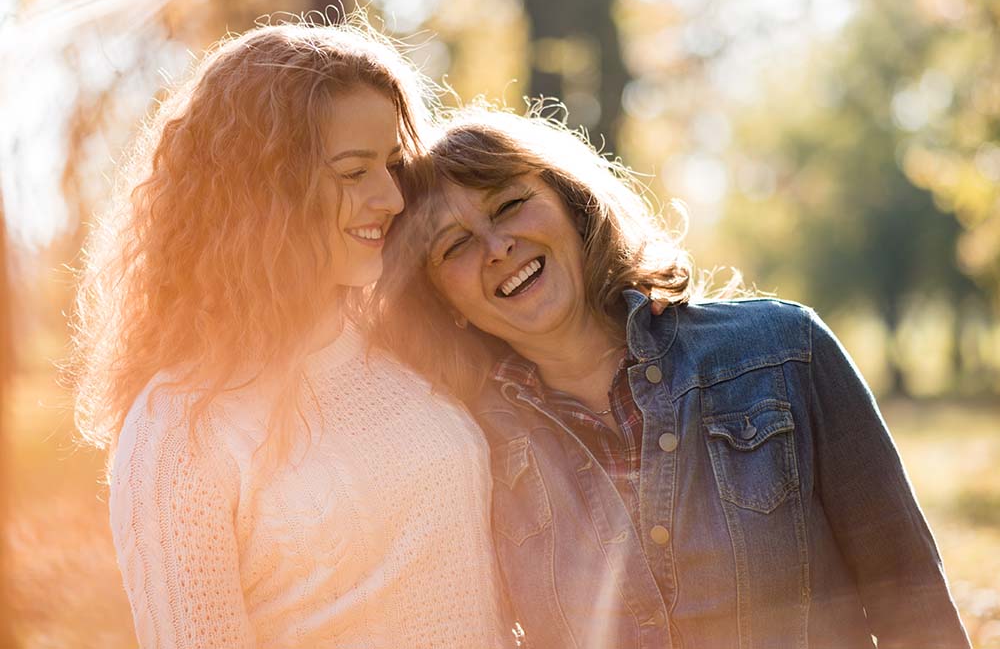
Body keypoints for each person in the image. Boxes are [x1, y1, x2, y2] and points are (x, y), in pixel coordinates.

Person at [375, 106, 972, 648]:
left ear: (571, 205)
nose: (497, 246)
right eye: (454, 246)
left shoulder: (785, 351)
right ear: (442, 300)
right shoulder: (466, 447)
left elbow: (910, 597)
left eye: (508, 205)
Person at [70, 22, 510, 648]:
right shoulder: (178, 426)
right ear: (262, 191)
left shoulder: (417, 341)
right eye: (354, 172)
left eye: (391, 166)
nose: (390, 197)